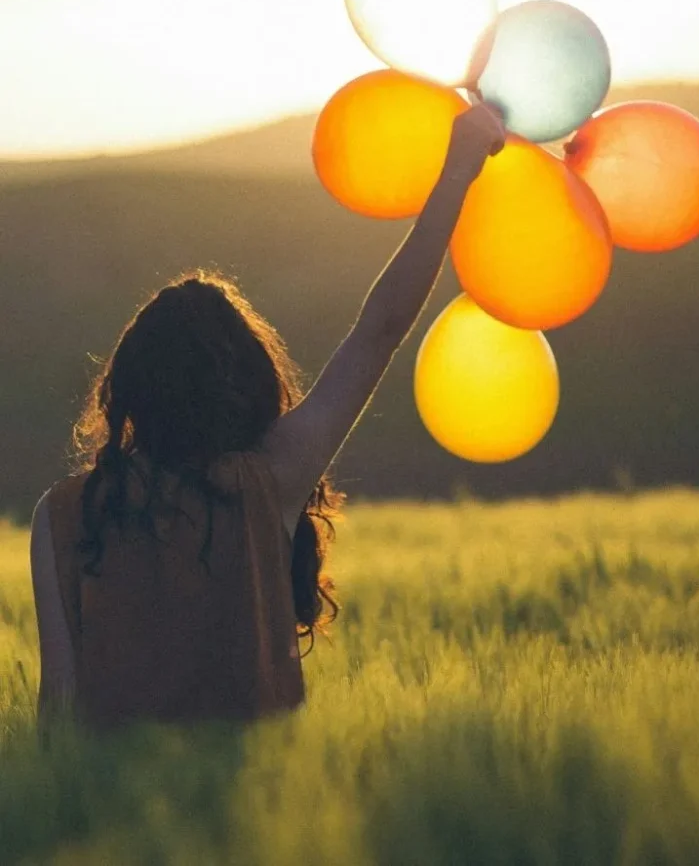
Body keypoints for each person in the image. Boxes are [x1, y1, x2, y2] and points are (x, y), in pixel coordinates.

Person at [30, 102, 506, 732]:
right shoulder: (268, 480)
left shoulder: (62, 514)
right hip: (260, 818)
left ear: (131, 389)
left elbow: (58, 699)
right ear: (246, 381)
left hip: (115, 821)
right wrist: (458, 170)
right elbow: (380, 330)